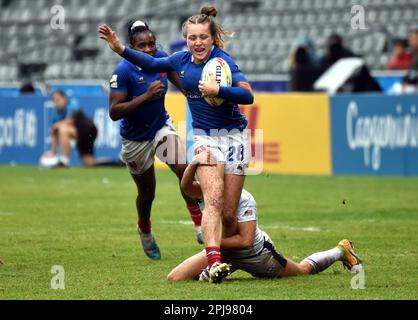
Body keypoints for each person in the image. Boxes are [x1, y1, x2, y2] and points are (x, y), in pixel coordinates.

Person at [99, 6, 254, 282]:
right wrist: (120, 49)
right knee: (209, 201)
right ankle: (212, 259)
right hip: (192, 138)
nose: (197, 42)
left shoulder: (223, 62)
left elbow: (247, 96)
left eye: (202, 37)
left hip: (231, 138)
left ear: (211, 38)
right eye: (192, 38)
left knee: (228, 214)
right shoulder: (174, 61)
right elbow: (150, 67)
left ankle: (226, 251)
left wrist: (218, 91)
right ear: (186, 40)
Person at [167, 150, 363, 282]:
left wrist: (212, 243)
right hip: (221, 252)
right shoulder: (206, 192)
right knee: (175, 278)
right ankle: (216, 268)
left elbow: (245, 241)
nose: (206, 179)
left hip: (256, 254)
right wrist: (194, 163)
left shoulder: (243, 198)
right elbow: (185, 187)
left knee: (302, 270)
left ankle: (341, 250)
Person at [107, 20, 204, 260]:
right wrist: (146, 96)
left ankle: (199, 222)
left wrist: (198, 96)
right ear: (131, 47)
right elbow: (114, 112)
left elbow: (182, 83)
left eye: (152, 43)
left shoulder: (160, 58)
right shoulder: (122, 72)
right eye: (142, 46)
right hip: (135, 139)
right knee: (147, 193)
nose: (149, 49)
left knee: (183, 169)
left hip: (161, 127)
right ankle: (145, 227)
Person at [41, 90, 98, 168]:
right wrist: (52, 151)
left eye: (58, 100)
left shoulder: (72, 104)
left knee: (63, 129)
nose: (56, 103)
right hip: (78, 133)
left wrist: (56, 125)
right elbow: (54, 132)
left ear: (64, 98)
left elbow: (70, 121)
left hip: (88, 130)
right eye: (54, 100)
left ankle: (64, 160)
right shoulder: (55, 112)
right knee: (88, 163)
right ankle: (113, 163)